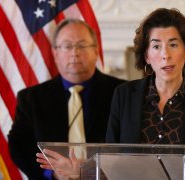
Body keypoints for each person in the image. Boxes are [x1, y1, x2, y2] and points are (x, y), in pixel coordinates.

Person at [37, 8, 185, 179]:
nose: (165, 54)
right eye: (156, 46)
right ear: (147, 56)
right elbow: (111, 161)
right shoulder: (124, 95)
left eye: (174, 44)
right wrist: (81, 172)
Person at [8, 19, 125, 179]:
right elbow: (19, 145)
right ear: (55, 53)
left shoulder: (122, 93)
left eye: (82, 45)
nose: (74, 52)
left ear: (96, 51)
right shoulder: (31, 98)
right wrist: (52, 173)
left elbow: (131, 144)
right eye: (67, 46)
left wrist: (94, 172)